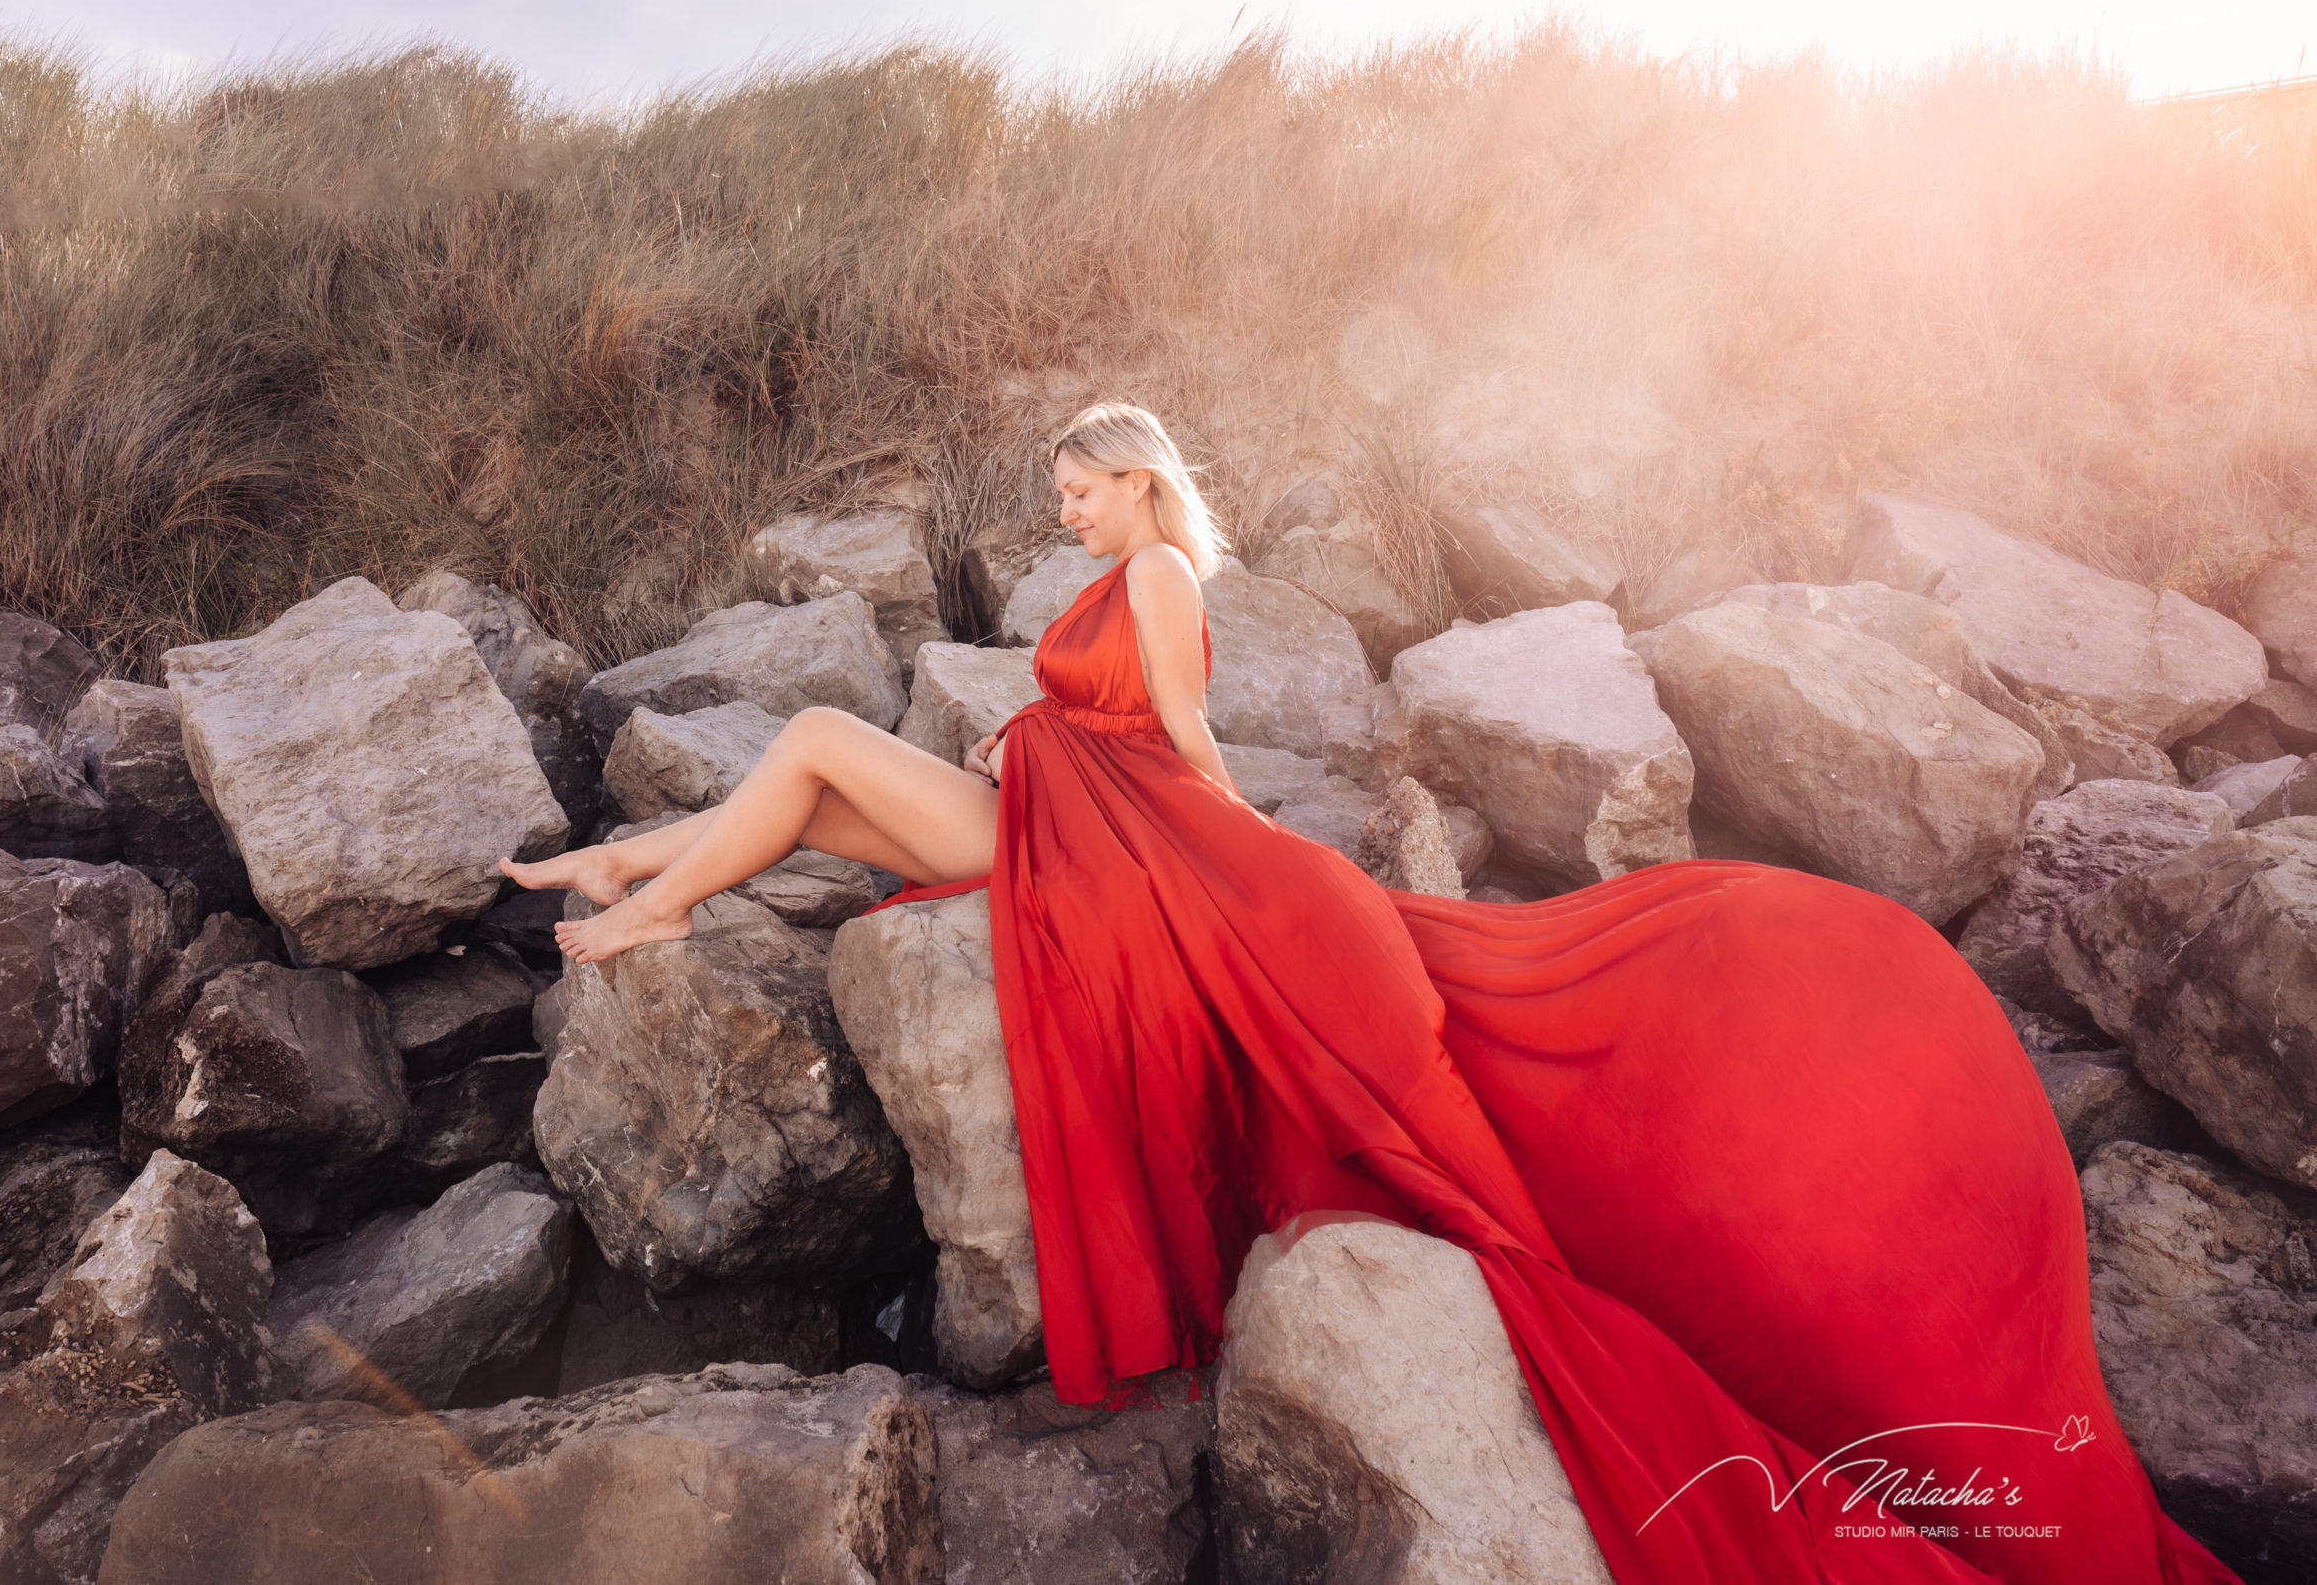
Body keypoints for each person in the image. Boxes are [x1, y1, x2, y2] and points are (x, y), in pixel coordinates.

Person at [501, 402, 2242, 1585]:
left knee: (812, 743)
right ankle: (634, 885)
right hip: (1069, 805)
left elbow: (1184, 742)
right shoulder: (1120, 577)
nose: (1064, 507)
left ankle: (635, 894)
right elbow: (1110, 727)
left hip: (1147, 833)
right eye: (1064, 493)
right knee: (809, 750)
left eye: (1079, 486)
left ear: (1135, 481)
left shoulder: (1170, 572)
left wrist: (1253, 865)